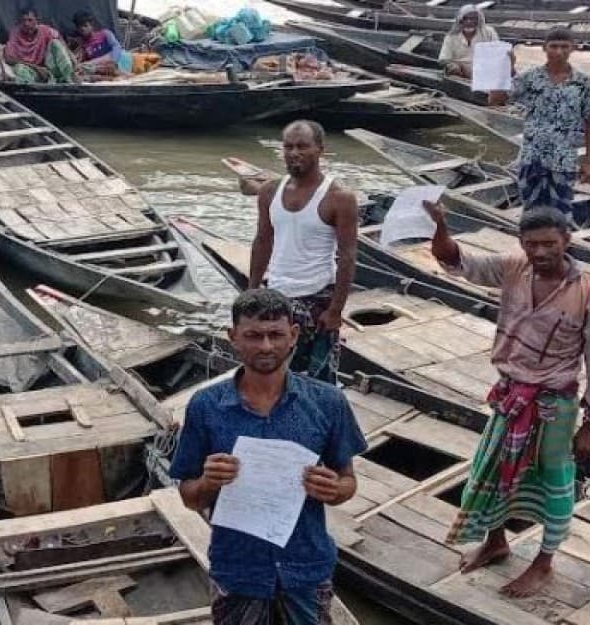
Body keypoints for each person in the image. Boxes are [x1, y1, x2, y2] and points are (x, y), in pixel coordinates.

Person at [423, 201, 590, 598]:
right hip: (510, 396)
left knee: (554, 485)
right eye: (531, 244)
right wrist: (440, 225)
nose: (540, 253)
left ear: (567, 241)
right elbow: (454, 260)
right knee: (490, 472)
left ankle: (543, 564)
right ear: (521, 244)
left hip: (553, 406)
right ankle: (496, 541)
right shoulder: (513, 268)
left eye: (549, 244)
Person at [170, 288, 367, 625]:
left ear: (293, 336)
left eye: (275, 335)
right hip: (239, 568)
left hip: (305, 565)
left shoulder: (327, 403)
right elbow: (189, 498)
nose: (265, 346)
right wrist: (208, 481)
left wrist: (334, 489)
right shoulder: (206, 406)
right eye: (253, 336)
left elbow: (347, 481)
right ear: (233, 337)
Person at [247, 120, 359, 384]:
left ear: (320, 150)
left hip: (318, 298)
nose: (294, 153)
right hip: (277, 295)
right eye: (288, 147)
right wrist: (251, 291)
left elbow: (348, 255)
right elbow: (263, 241)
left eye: (302, 146)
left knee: (318, 379)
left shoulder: (339, 198)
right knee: (273, 375)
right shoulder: (269, 192)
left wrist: (336, 310)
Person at [488, 27, 590, 219]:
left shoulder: (583, 83)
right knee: (531, 214)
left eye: (564, 47)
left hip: (563, 160)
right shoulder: (530, 77)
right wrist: (505, 70)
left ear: (573, 48)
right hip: (532, 158)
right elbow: (496, 100)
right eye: (553, 46)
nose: (558, 52)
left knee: (561, 214)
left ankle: (559, 247)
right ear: (544, 48)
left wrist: (589, 161)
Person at [3, 7, 74, 84]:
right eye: (23, 21)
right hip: (30, 70)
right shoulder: (15, 33)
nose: (26, 24)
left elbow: (59, 39)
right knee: (19, 69)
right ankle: (31, 89)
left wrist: (73, 60)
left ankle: (68, 78)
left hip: (48, 69)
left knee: (56, 43)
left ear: (37, 20)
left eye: (30, 20)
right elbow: (8, 59)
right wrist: (36, 68)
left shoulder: (44, 30)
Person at [438, 4, 501, 78]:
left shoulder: (489, 32)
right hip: (460, 74)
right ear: (460, 20)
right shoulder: (451, 37)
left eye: (473, 18)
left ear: (478, 20)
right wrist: (451, 65)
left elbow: (498, 53)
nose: (469, 22)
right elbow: (444, 58)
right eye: (465, 18)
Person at [70, 11, 132, 76]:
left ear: (91, 25)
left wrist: (113, 61)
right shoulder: (84, 45)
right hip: (103, 67)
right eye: (80, 28)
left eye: (85, 26)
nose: (83, 29)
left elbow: (117, 48)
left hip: (119, 61)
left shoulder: (105, 34)